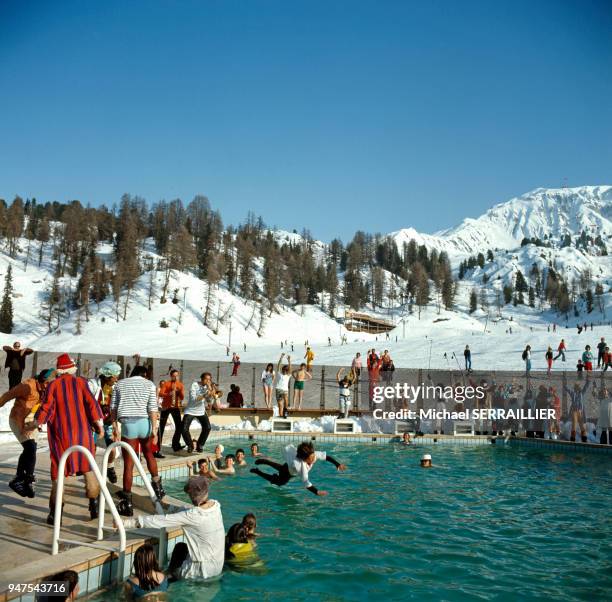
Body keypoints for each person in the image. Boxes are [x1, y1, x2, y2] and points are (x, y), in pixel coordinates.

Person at [30, 353, 104, 525]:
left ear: (59, 370)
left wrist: (37, 421)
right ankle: (94, 507)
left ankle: (55, 515)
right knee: (88, 468)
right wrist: (98, 424)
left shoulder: (53, 385)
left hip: (61, 436)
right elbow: (91, 404)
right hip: (83, 435)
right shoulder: (81, 382)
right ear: (71, 368)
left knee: (58, 473)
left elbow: (47, 407)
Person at [121, 476, 225, 581]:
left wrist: (127, 523)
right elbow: (187, 511)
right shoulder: (215, 506)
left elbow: (160, 520)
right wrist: (165, 506)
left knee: (173, 562)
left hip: (201, 572)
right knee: (181, 547)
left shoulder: (193, 516)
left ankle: (167, 579)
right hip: (217, 567)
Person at [111, 365, 164, 516]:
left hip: (128, 425)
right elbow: (152, 408)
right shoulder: (149, 384)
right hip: (144, 423)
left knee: (129, 465)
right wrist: (154, 429)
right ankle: (158, 487)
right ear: (145, 374)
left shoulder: (120, 384)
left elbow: (113, 407)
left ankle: (127, 502)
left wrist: (115, 426)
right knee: (149, 454)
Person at [0, 368, 55, 498]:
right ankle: (19, 479)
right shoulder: (28, 386)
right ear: (42, 380)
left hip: (31, 423)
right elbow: (8, 395)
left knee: (31, 449)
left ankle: (26, 480)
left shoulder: (47, 390)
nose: (48, 387)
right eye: (47, 383)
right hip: (18, 420)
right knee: (30, 447)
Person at [250, 441, 346, 496]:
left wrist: (337, 464)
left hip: (289, 468)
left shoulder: (313, 454)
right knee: (278, 482)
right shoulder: (301, 466)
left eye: (313, 456)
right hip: (288, 473)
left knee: (280, 467)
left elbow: (326, 457)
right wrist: (317, 492)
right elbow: (306, 483)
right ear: (304, 459)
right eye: (311, 458)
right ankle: (258, 472)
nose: (314, 458)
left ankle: (265, 461)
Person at [88, 361, 122, 482]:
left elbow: (114, 409)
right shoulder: (92, 385)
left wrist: (116, 428)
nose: (116, 379)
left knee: (113, 449)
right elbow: (86, 404)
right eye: (115, 376)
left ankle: (110, 467)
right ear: (109, 375)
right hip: (94, 422)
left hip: (107, 422)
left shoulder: (114, 388)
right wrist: (92, 423)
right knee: (92, 449)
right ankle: (90, 474)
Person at [183, 372, 216, 453]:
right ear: (201, 379)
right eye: (206, 379)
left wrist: (211, 393)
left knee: (207, 428)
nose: (208, 381)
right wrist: (205, 394)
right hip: (190, 410)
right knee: (184, 429)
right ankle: (190, 445)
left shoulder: (208, 387)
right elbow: (194, 399)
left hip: (201, 411)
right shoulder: (194, 385)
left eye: (209, 379)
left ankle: (200, 445)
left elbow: (209, 401)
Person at [157, 368, 185, 457]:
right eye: (174, 376)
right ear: (171, 376)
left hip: (175, 407)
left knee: (179, 426)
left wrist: (179, 392)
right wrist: (168, 394)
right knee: (161, 427)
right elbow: (160, 393)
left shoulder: (180, 385)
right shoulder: (166, 383)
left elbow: (182, 397)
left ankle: (175, 444)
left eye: (177, 376)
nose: (175, 377)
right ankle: (157, 448)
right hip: (166, 407)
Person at [275, 354, 292, 418]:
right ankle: (281, 416)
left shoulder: (288, 375)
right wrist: (281, 357)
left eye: (286, 370)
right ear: (282, 370)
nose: (285, 371)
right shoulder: (279, 374)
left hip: (285, 390)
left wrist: (289, 361)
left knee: (285, 397)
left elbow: (290, 368)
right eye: (284, 370)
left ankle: (286, 409)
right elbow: (278, 366)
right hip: (278, 389)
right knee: (280, 405)